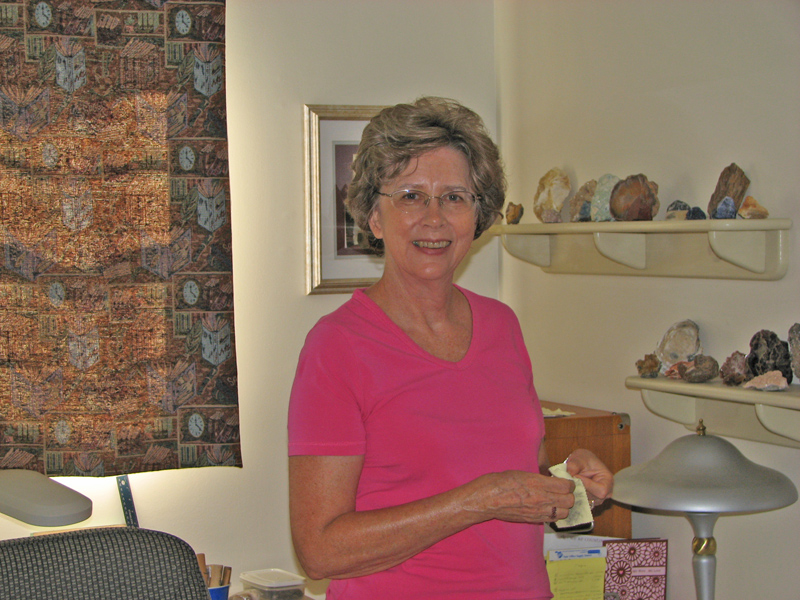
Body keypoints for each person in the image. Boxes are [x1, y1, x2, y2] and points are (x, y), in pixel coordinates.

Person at [288, 97, 613, 600]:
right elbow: (319, 551)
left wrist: (568, 486)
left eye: (455, 197)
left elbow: (518, 481)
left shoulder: (501, 325)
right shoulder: (337, 347)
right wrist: (479, 500)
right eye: (412, 196)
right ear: (374, 217)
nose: (434, 219)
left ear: (477, 216)